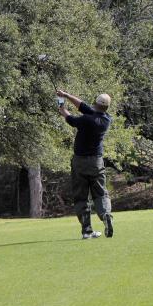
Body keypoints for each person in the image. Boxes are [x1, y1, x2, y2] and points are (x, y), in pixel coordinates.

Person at [56, 89, 114, 239]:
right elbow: (83, 106)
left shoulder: (86, 120)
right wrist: (66, 95)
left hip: (80, 162)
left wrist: (61, 106)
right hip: (96, 162)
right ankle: (106, 215)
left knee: (81, 197)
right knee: (100, 193)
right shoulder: (106, 119)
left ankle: (87, 231)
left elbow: (69, 119)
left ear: (95, 104)